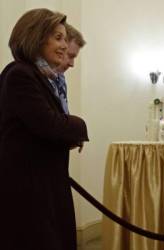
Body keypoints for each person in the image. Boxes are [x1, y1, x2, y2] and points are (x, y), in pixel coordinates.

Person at [0, 8, 89, 250]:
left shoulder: (41, 76)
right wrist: (80, 125)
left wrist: (67, 129)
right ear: (37, 37)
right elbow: (51, 124)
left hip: (44, 187)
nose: (63, 46)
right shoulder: (20, 74)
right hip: (28, 194)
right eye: (58, 38)